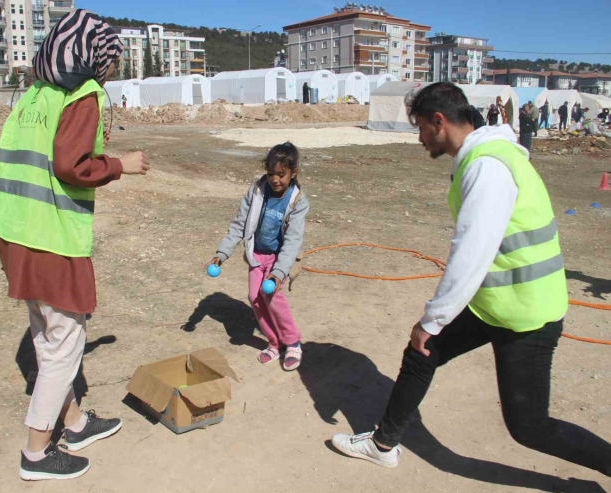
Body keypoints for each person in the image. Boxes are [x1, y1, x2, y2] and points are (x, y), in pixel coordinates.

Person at [331, 82, 611, 477]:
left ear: (438, 121)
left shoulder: (487, 165)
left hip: (526, 315)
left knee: (530, 427)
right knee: (421, 352)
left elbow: (472, 251)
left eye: (419, 127)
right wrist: (431, 325)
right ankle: (383, 444)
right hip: (493, 305)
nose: (418, 137)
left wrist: (434, 317)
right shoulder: (482, 155)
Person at [0, 10, 151, 481]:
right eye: (111, 60)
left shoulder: (34, 93)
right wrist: (123, 164)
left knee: (47, 334)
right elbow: (71, 164)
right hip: (50, 235)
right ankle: (37, 453)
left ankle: (75, 423)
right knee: (65, 343)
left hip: (13, 227)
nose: (111, 70)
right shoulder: (84, 95)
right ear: (94, 57)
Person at [207, 143, 310, 371]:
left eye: (281, 175)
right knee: (254, 296)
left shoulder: (297, 201)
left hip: (279, 258)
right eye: (271, 173)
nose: (275, 180)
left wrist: (278, 273)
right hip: (257, 254)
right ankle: (274, 343)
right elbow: (239, 225)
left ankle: (292, 342)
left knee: (272, 296)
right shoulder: (256, 191)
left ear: (293, 173)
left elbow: (292, 241)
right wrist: (222, 253)